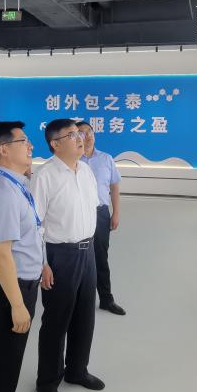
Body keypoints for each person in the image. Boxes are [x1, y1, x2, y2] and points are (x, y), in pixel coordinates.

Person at [32, 119, 105, 392]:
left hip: (87, 252)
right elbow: (35, 224)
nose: (80, 138)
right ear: (55, 144)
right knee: (56, 320)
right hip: (59, 255)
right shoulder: (45, 176)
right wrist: (42, 263)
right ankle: (47, 381)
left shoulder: (85, 170)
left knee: (85, 316)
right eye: (72, 135)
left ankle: (77, 370)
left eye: (80, 133)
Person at [0, 121, 44, 392]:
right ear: (4, 149)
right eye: (24, 141)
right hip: (8, 292)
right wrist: (18, 305)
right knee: (3, 369)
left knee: (7, 363)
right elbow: (1, 255)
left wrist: (41, 265)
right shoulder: (4, 192)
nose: (31, 146)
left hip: (18, 285)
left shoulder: (17, 184)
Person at [76, 121, 125, 316]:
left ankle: (106, 299)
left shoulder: (106, 159)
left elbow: (114, 187)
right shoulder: (73, 161)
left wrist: (116, 212)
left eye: (90, 132)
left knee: (100, 257)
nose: (87, 136)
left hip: (101, 213)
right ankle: (80, 299)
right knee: (78, 257)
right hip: (77, 214)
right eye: (82, 133)